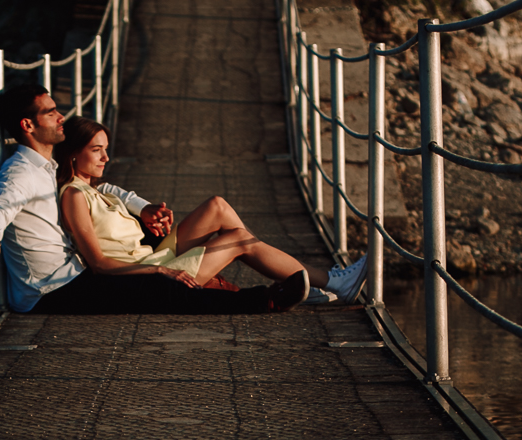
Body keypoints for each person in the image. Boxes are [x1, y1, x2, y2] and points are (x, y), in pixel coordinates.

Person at [0, 86, 349, 314]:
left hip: (85, 272)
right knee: (171, 286)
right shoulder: (22, 172)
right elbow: (3, 201)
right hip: (56, 287)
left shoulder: (49, 168)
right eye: (51, 112)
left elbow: (104, 190)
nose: (61, 117)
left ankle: (315, 283)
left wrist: (143, 208)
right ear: (28, 125)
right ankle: (283, 292)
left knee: (216, 216)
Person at [54, 116, 367, 305]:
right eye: (96, 150)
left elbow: (115, 192)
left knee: (217, 206)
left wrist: (143, 207)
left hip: (152, 258)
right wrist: (161, 270)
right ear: (72, 155)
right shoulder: (74, 196)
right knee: (240, 239)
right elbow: (99, 264)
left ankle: (296, 280)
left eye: (106, 149)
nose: (106, 157)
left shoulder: (94, 189)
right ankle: (330, 281)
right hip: (145, 277)